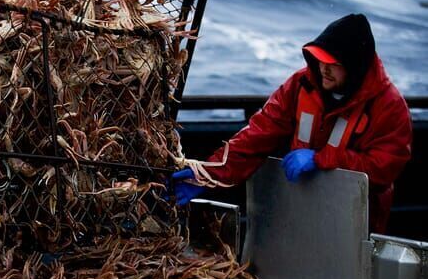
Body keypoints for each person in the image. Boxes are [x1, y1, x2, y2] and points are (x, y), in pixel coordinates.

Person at [172, 13, 412, 234]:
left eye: (334, 64)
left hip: (353, 222)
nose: (324, 69)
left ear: (355, 67)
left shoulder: (389, 106)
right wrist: (206, 174)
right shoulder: (300, 85)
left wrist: (321, 159)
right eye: (320, 60)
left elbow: (385, 168)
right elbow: (258, 134)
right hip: (300, 204)